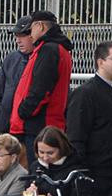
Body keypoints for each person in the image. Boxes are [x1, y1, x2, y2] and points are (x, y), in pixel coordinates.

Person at [10, 10, 74, 163]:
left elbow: (41, 89)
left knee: (37, 174)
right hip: (42, 124)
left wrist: (24, 111)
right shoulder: (54, 49)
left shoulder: (49, 50)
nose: (30, 34)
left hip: (39, 126)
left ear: (40, 26)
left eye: (31, 29)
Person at [65, 41, 112, 196]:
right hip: (96, 173)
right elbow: (76, 136)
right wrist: (83, 171)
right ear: (101, 62)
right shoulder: (85, 94)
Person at [0, 15, 34, 144]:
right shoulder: (11, 59)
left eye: (22, 35)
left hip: (29, 131)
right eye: (16, 36)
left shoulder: (42, 59)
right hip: (7, 129)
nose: (18, 40)